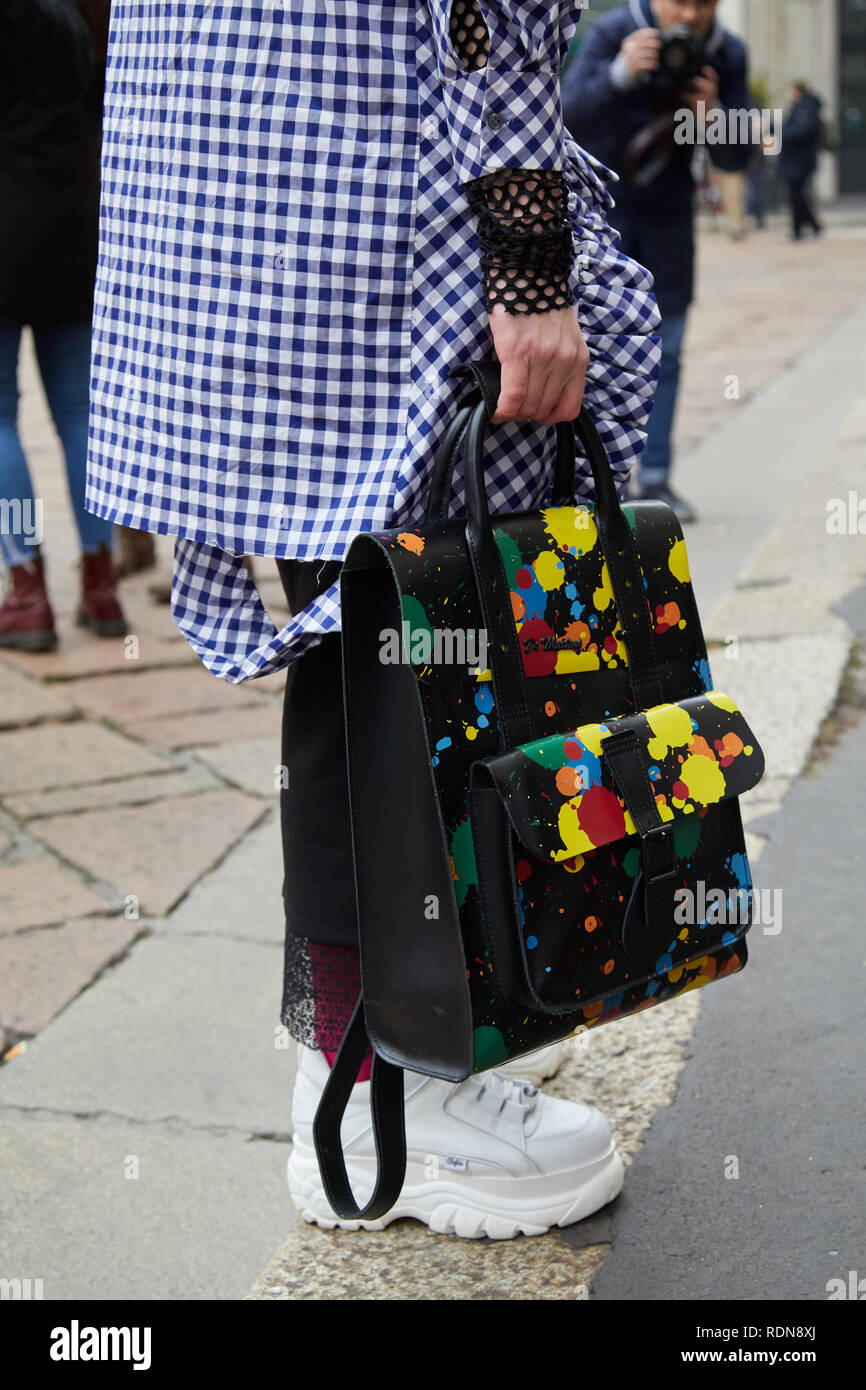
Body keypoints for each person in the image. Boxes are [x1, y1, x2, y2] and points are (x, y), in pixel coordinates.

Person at [85, 0, 661, 1238]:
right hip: (371, 213)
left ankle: (410, 1028)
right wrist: (528, 263)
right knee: (395, 651)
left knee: (384, 636)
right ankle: (370, 1097)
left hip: (231, 174)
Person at [562, 0, 753, 524]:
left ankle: (658, 478)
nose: (690, 16)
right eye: (680, 2)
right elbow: (565, 115)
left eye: (705, 4)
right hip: (601, 220)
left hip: (669, 221)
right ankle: (601, 485)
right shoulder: (615, 31)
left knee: (666, 353)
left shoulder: (727, 52)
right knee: (593, 354)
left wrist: (714, 119)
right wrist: (621, 73)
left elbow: (740, 157)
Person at [0, 0, 126, 651]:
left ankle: (27, 590)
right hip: (74, 227)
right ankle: (100, 583)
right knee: (78, 411)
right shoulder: (72, 17)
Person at [778, 80, 824, 242]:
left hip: (800, 161)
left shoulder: (806, 107)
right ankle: (808, 227)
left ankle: (803, 229)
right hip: (794, 160)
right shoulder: (800, 107)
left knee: (797, 197)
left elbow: (800, 130)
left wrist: (781, 134)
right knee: (796, 197)